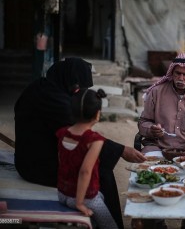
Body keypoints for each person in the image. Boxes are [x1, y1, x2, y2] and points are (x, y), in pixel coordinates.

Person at [14, 57, 145, 229]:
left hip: (33, 156)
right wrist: (122, 151)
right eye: (79, 89)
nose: (79, 93)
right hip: (36, 167)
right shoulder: (56, 101)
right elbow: (85, 139)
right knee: (102, 170)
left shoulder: (43, 86)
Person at [57, 88, 117, 228]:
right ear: (97, 114)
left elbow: (62, 162)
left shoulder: (62, 133)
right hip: (83, 198)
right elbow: (85, 172)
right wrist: (79, 203)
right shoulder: (94, 140)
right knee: (111, 226)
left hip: (62, 194)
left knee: (100, 196)